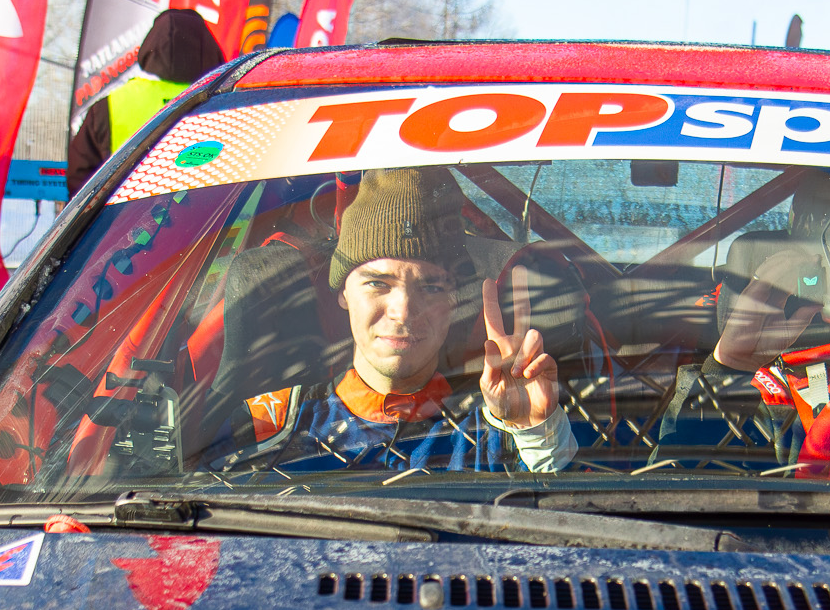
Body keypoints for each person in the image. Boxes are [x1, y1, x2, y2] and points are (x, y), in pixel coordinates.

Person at [210, 167, 577, 474]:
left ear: (454, 301)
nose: (403, 311)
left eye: (430, 287)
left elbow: (583, 524)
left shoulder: (500, 426)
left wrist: (537, 433)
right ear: (343, 293)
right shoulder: (267, 425)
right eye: (377, 284)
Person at [65, 9, 227, 199]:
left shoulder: (111, 104)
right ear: (208, 49)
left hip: (125, 213)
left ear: (152, 46)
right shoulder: (225, 101)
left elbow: (80, 177)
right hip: (206, 213)